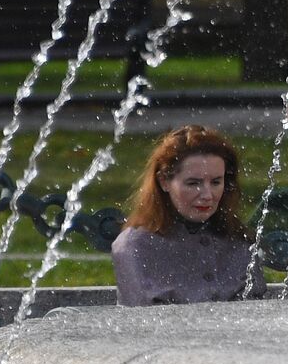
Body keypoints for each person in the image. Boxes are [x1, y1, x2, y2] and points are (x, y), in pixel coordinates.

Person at [111, 125, 267, 306]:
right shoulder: (136, 246)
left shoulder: (240, 241)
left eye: (216, 182)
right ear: (164, 181)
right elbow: (145, 327)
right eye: (193, 183)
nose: (207, 195)